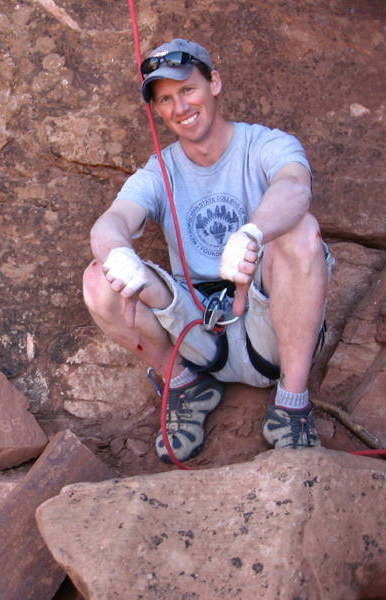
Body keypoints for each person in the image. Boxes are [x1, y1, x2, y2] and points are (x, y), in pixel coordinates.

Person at [83, 38, 333, 463]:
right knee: (99, 277)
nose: (179, 107)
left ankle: (291, 403)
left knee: (300, 232)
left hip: (267, 322)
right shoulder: (160, 169)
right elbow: (113, 220)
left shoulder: (265, 145)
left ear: (214, 83)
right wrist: (118, 253)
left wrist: (253, 233)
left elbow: (294, 186)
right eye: (165, 99)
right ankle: (185, 387)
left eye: (187, 89)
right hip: (199, 330)